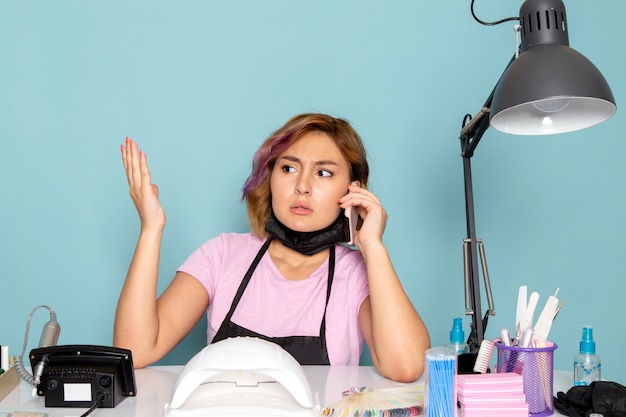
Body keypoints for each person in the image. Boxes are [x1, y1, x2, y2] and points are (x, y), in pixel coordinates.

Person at [114, 113, 430, 382]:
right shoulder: (222, 255)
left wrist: (372, 246)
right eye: (289, 168)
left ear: (352, 191)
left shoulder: (356, 274)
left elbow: (405, 366)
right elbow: (134, 350)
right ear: (270, 178)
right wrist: (150, 228)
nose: (302, 186)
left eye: (323, 173)